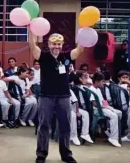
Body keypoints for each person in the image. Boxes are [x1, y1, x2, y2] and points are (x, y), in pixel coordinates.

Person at [31, 32, 84, 163]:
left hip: (64, 96)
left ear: (62, 45)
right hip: (46, 96)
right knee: (43, 125)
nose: (56, 46)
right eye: (54, 44)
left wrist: (84, 32)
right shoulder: (43, 56)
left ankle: (66, 154)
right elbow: (32, 46)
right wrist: (30, 30)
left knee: (65, 125)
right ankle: (41, 154)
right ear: (49, 44)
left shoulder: (66, 56)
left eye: (59, 44)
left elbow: (79, 50)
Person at [89, 72, 122, 147]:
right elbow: (94, 104)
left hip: (103, 107)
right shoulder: (92, 89)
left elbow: (102, 101)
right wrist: (105, 107)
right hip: (97, 110)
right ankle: (113, 138)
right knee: (114, 116)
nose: (103, 83)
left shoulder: (98, 89)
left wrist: (108, 106)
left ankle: (109, 132)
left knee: (119, 113)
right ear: (97, 81)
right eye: (102, 81)